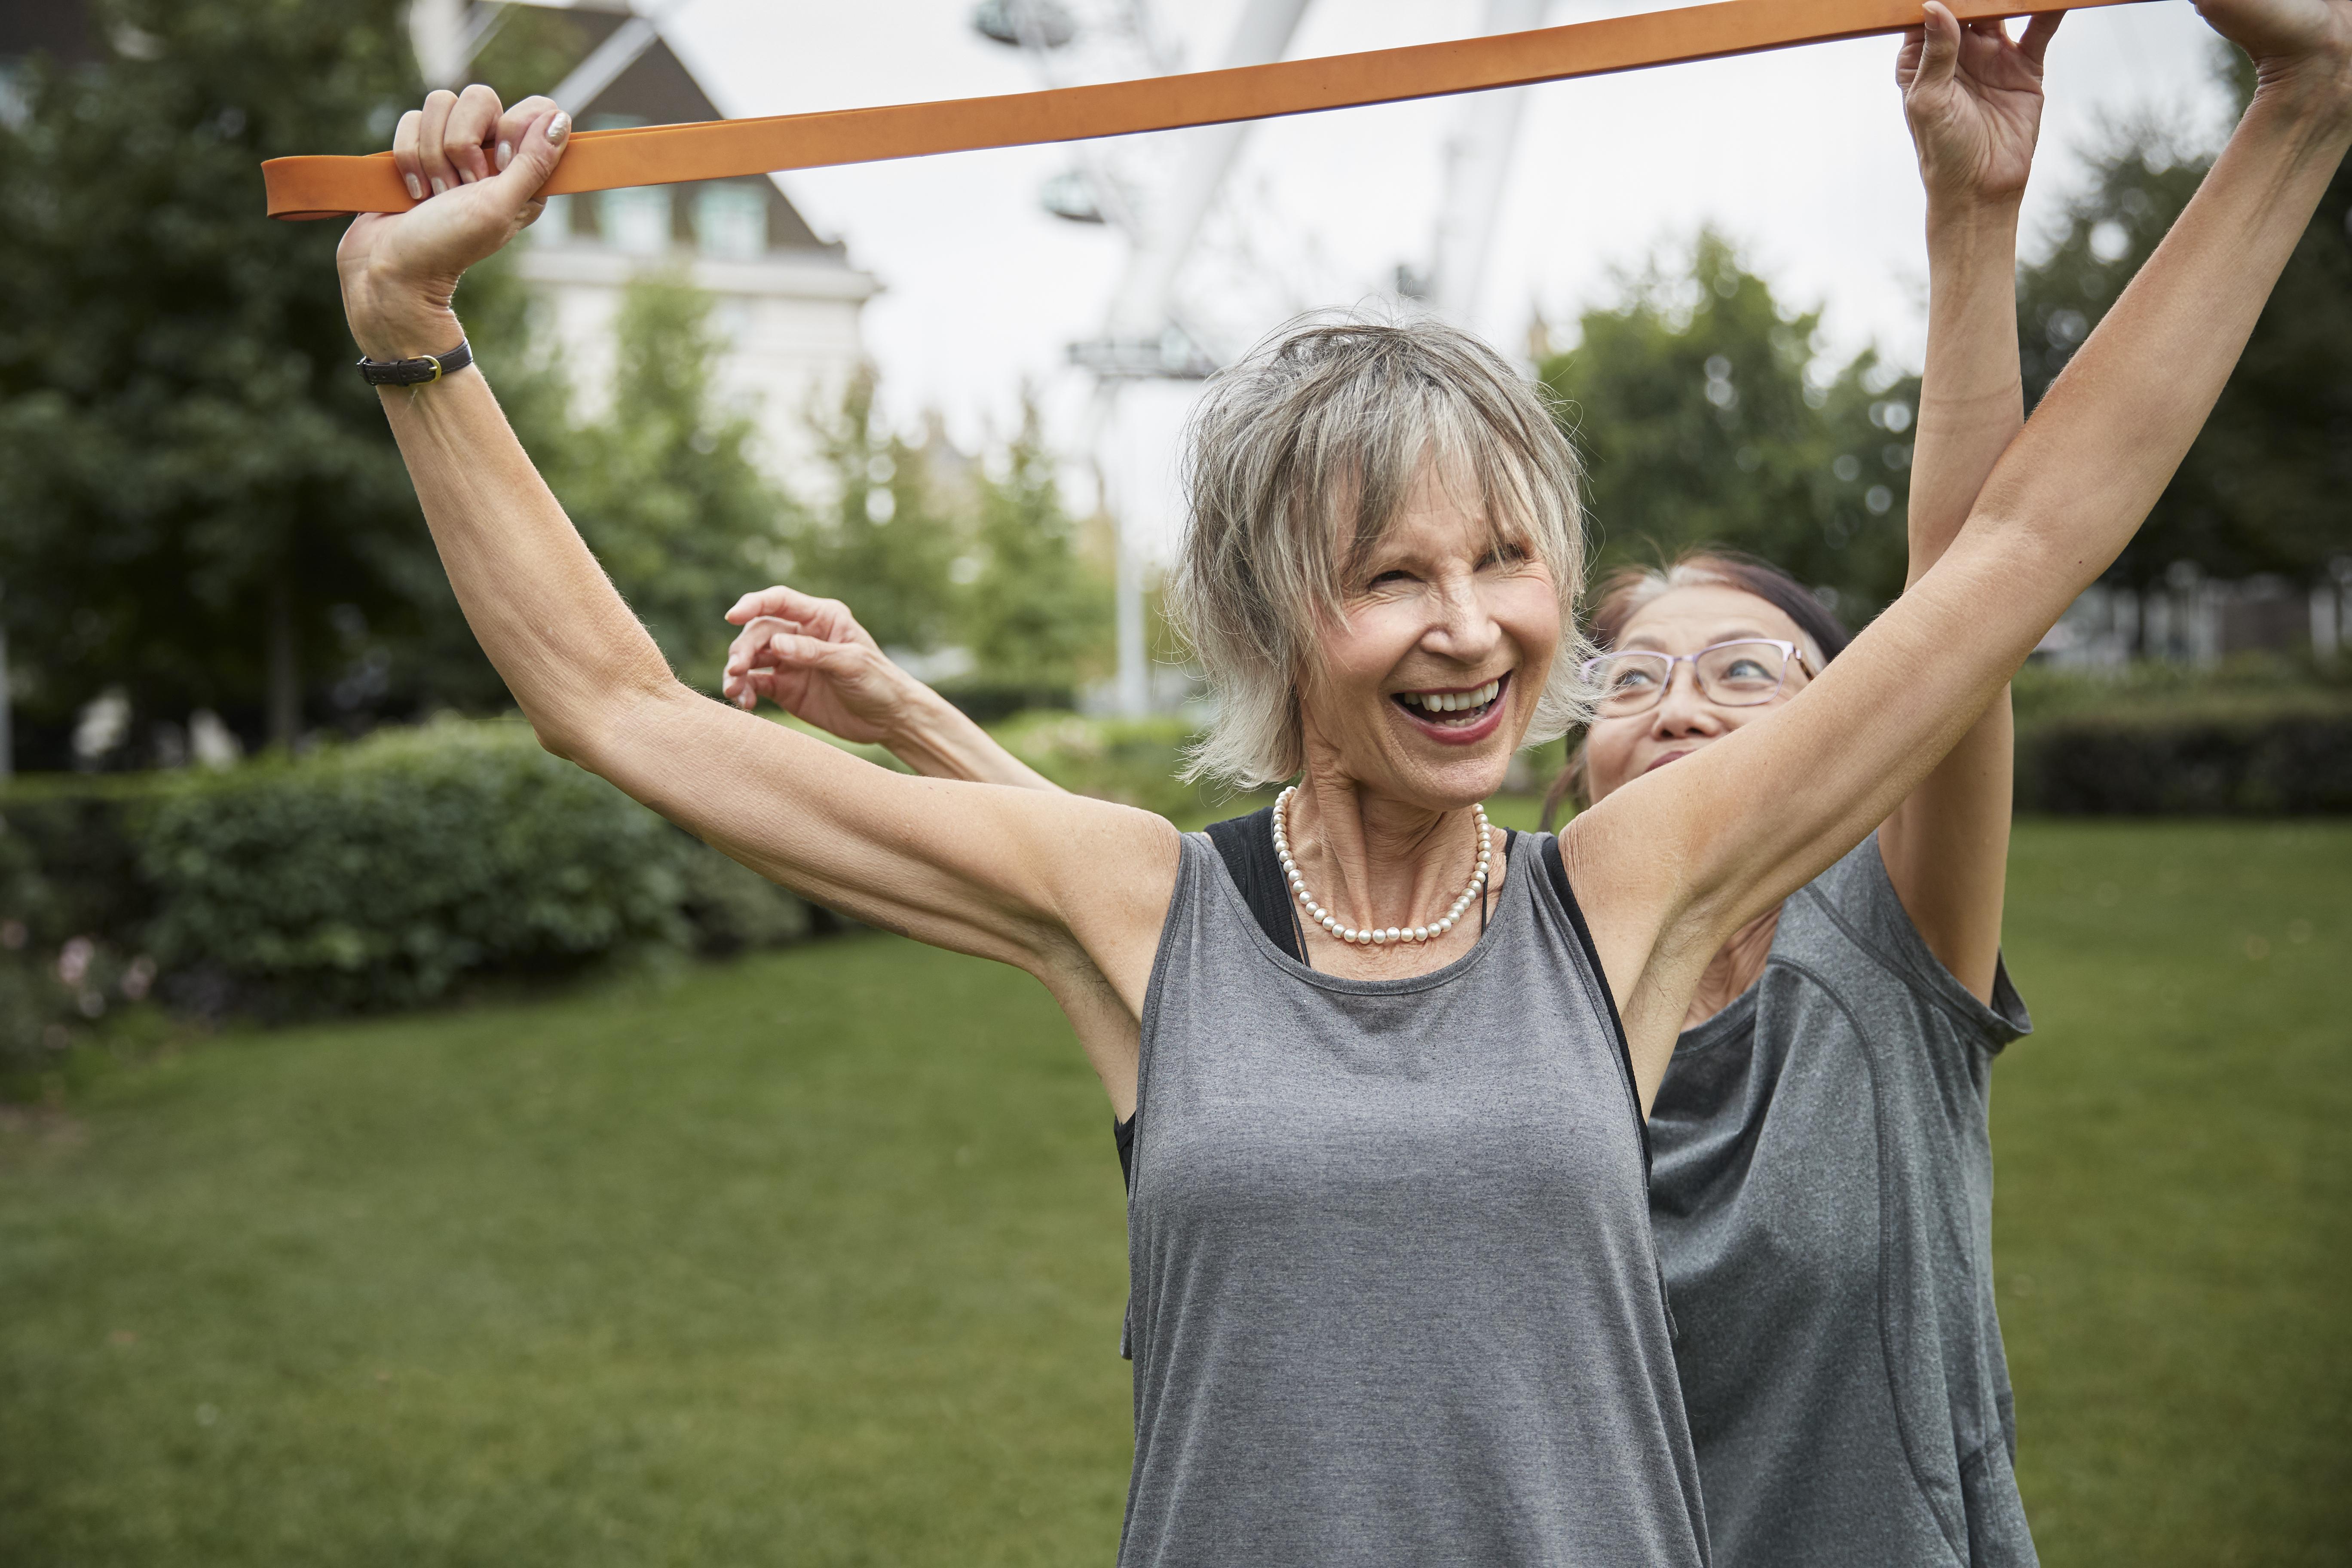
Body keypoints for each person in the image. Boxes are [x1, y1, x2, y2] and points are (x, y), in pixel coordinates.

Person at [336, 0, 2350, 1556]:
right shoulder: (1141, 907)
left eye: (1505, 559)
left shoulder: (1624, 895)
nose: (1471, 628)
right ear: (1271, 623)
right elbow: (624, 710)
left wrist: (2300, 115)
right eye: (1391, 576)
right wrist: (413, 321)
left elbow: (2013, 557)